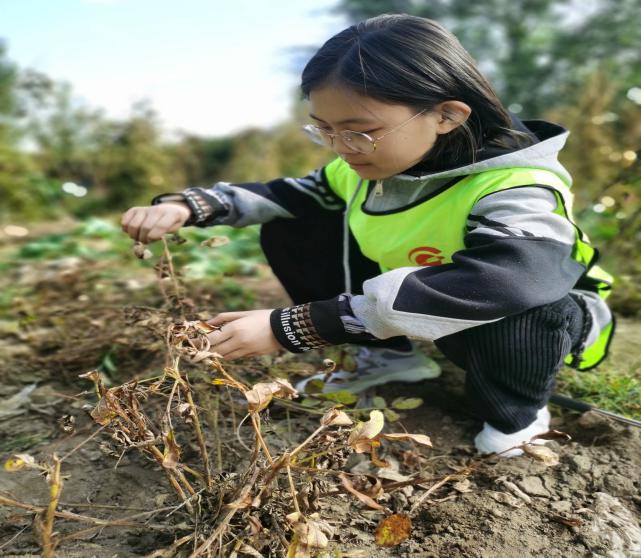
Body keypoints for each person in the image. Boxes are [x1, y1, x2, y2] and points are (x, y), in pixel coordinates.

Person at [121, 14, 614, 456]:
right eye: (325, 130)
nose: (342, 148)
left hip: (537, 315)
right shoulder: (364, 169)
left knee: (517, 299)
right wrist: (188, 205)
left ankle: (520, 415)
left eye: (359, 131)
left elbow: (506, 281)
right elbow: (286, 194)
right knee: (297, 221)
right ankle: (389, 357)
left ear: (447, 115)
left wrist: (295, 325)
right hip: (427, 302)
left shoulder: (515, 187)